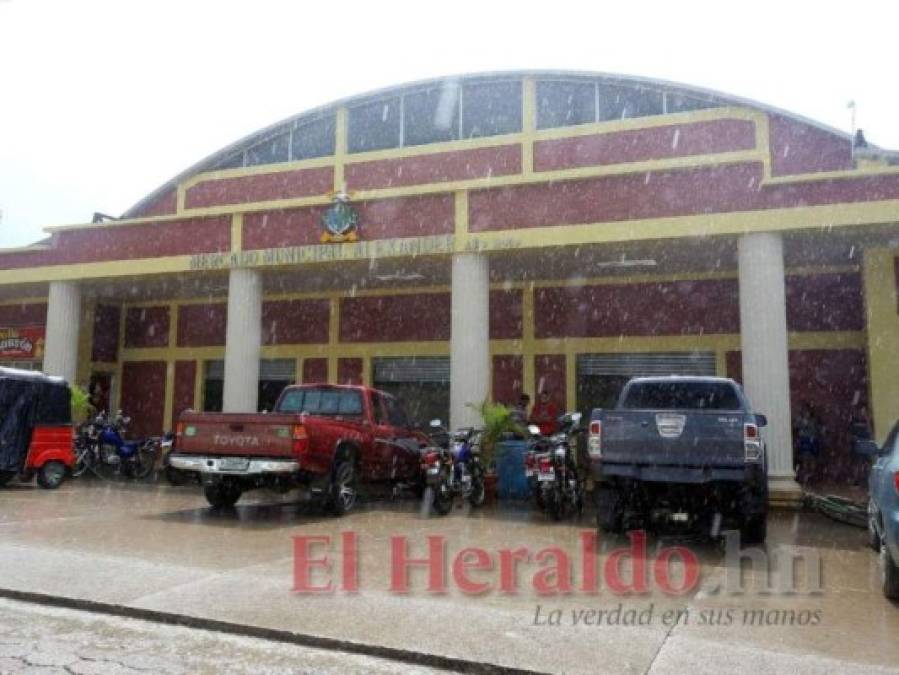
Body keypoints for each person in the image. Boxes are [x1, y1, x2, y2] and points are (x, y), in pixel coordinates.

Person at [793, 403, 821, 485]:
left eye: (807, 411)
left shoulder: (814, 420)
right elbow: (796, 427)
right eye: (804, 411)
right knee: (804, 459)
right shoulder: (801, 420)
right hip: (804, 440)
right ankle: (805, 476)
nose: (806, 413)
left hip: (812, 441)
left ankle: (809, 475)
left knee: (811, 459)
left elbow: (817, 430)